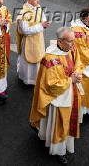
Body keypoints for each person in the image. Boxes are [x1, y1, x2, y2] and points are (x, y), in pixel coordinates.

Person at [29, 28, 83, 165]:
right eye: (70, 41)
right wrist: (71, 80)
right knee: (59, 124)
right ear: (60, 41)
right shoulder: (50, 58)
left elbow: (78, 63)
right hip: (57, 98)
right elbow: (51, 85)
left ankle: (46, 136)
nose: (73, 43)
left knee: (64, 122)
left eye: (73, 40)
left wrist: (77, 73)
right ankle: (58, 151)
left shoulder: (70, 49)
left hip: (70, 92)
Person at [16, 0, 50, 85]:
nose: (38, 1)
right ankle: (26, 79)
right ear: (30, 0)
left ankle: (36, 78)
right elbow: (25, 30)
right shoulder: (24, 13)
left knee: (38, 59)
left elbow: (43, 17)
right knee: (28, 62)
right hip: (28, 41)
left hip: (38, 39)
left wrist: (44, 23)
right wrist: (41, 26)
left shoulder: (37, 7)